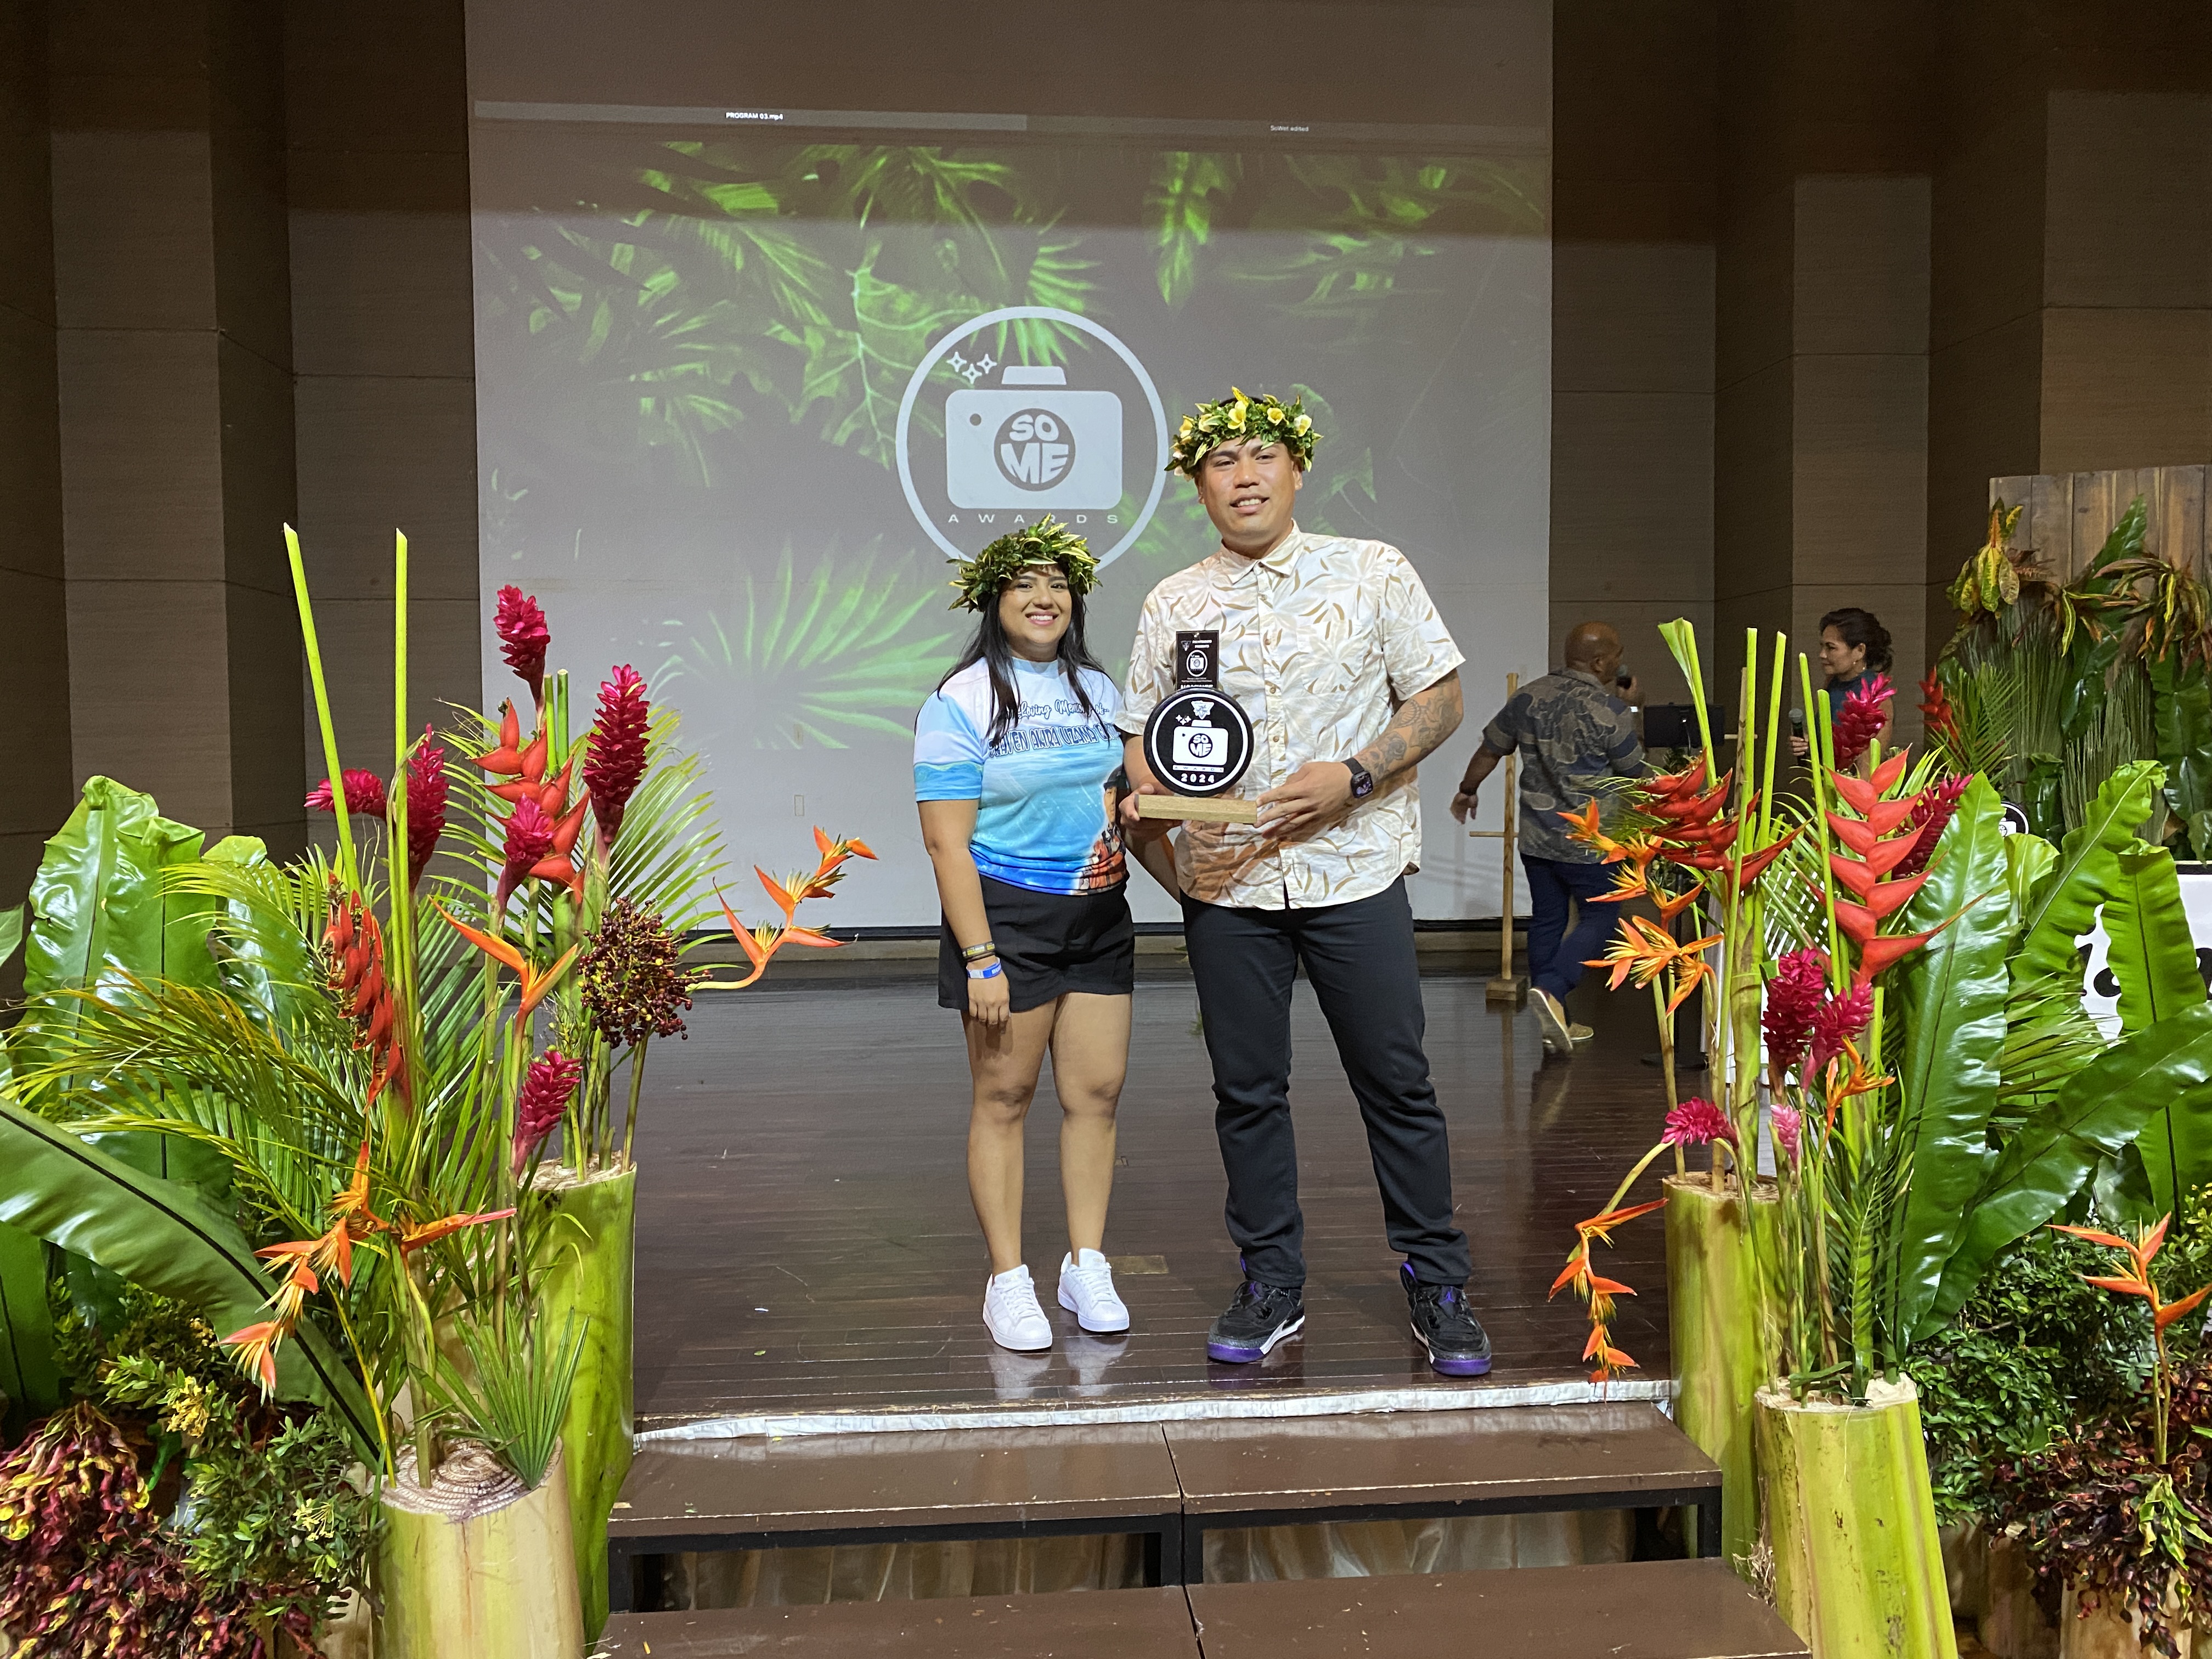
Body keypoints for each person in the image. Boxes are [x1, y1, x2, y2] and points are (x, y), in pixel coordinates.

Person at [1117, 388, 1492, 1378]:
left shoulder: (1372, 571)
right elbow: (1144, 739)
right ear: (1198, 485)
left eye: (1261, 456)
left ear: (1296, 469)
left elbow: (1442, 696)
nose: (1243, 476)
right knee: (1246, 1092)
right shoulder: (1172, 602)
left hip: (1355, 870)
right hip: (1229, 884)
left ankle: (1438, 1282)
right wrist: (1159, 806)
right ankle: (1271, 1282)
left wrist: (1354, 777)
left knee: (1397, 1081)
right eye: (1221, 462)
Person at [916, 517, 1173, 1354]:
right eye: (1025, 583)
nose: (1044, 597)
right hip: (1007, 923)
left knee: (1096, 1096)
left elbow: (1129, 810)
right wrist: (980, 959)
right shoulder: (960, 701)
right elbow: (946, 844)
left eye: (1058, 584)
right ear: (994, 599)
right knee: (1004, 1100)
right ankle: (1008, 1280)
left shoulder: (1100, 692)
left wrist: (1199, 895)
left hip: (1099, 918)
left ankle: (1085, 1265)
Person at [1452, 624, 1644, 1060]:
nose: (1619, 662)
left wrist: (1467, 790)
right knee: (1601, 917)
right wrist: (1635, 709)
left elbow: (1490, 748)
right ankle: (1553, 990)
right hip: (1591, 842)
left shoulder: (1528, 698)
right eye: (1617, 655)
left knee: (1547, 920)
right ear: (1600, 662)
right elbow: (1635, 772)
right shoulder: (1611, 709)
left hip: (1538, 838)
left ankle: (1556, 1018)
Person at [1789, 606, 1894, 760]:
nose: (1822, 655)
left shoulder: (1877, 698)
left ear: (1859, 651)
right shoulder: (1832, 682)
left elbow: (1868, 764)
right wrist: (1807, 743)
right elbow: (1825, 738)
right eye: (1822, 647)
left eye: (1831, 648)